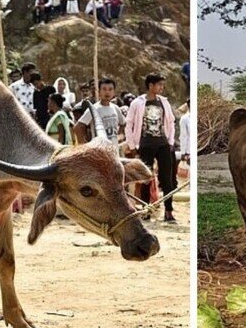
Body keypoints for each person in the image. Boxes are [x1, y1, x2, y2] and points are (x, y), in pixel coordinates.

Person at [125, 73, 177, 222]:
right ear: (150, 86)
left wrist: (170, 142)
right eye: (159, 84)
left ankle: (169, 211)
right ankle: (146, 209)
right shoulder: (138, 103)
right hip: (145, 144)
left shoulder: (164, 102)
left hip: (163, 144)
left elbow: (171, 122)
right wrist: (132, 145)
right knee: (146, 178)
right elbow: (129, 124)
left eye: (162, 85)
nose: (162, 87)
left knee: (167, 179)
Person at [74, 78, 125, 145]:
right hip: (99, 149)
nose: (107, 92)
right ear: (99, 91)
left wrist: (120, 136)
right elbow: (78, 127)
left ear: (114, 92)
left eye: (110, 89)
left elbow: (123, 123)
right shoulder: (94, 109)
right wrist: (83, 145)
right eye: (104, 89)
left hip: (114, 148)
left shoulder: (116, 108)